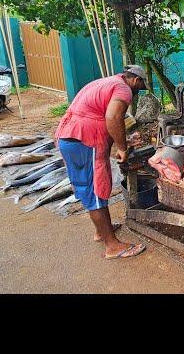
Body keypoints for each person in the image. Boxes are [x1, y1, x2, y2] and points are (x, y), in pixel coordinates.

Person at [54, 65, 150, 259]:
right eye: (140, 87)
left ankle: (101, 232)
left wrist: (122, 140)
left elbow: (103, 115)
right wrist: (122, 148)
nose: (138, 92)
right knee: (95, 191)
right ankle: (112, 245)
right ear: (136, 80)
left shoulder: (106, 82)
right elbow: (113, 117)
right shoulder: (123, 89)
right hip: (83, 141)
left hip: (70, 137)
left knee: (89, 189)